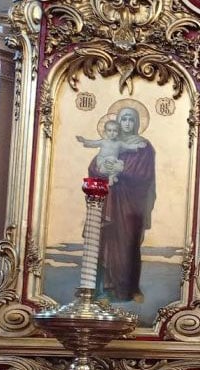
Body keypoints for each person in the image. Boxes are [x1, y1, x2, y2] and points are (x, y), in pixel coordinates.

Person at [89, 105, 155, 302]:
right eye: (123, 119)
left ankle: (128, 289)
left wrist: (121, 170)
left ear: (136, 123)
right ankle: (103, 289)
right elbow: (94, 166)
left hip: (131, 204)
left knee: (128, 242)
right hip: (109, 200)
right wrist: (102, 169)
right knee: (106, 239)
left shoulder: (143, 146)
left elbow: (145, 175)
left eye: (130, 119)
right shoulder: (110, 142)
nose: (126, 123)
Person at [76, 119, 144, 186]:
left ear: (118, 133)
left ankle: (112, 176)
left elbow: (128, 146)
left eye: (115, 131)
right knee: (106, 166)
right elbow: (93, 143)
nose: (112, 133)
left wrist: (138, 145)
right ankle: (111, 176)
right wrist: (84, 140)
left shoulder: (119, 143)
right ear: (105, 132)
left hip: (113, 162)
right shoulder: (103, 142)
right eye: (109, 130)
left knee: (120, 166)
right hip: (103, 161)